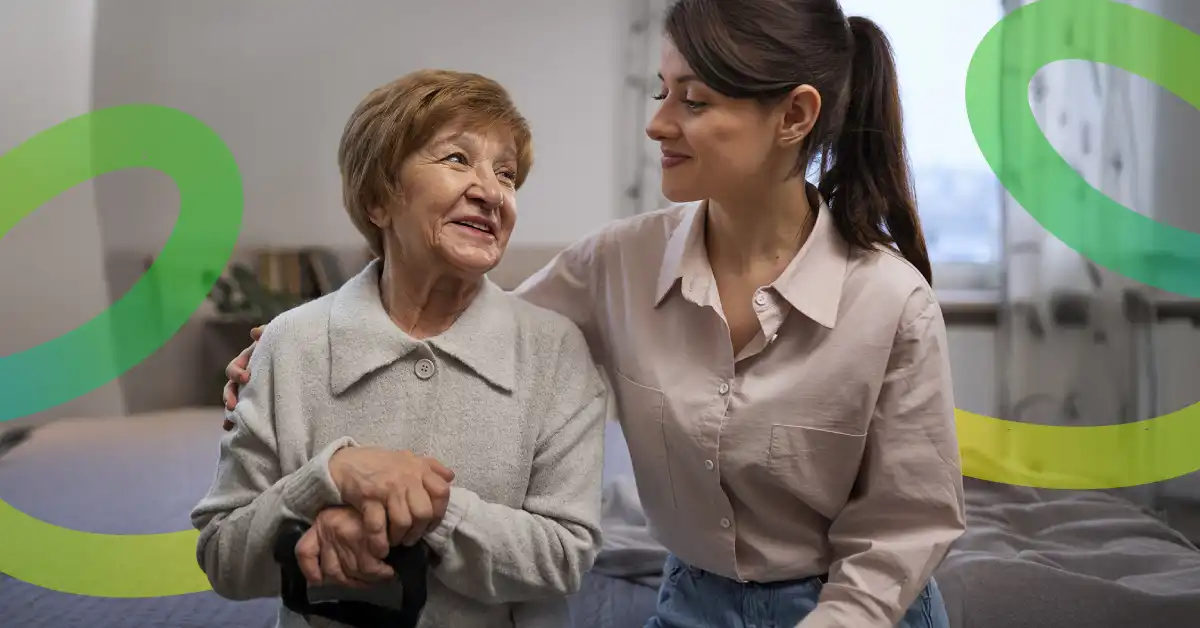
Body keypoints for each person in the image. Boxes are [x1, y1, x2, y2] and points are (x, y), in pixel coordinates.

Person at [222, 0, 967, 626]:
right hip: (694, 602)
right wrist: (290, 356)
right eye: (661, 91)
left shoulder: (892, 302)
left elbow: (906, 525)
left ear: (795, 116)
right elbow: (468, 337)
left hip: (860, 611)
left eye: (694, 100)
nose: (658, 124)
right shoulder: (614, 263)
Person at [192, 69, 609, 628]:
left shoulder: (555, 351)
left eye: (505, 173)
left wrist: (426, 511)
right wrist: (329, 477)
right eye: (457, 159)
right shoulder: (289, 344)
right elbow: (224, 558)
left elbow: (565, 558)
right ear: (378, 200)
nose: (491, 192)